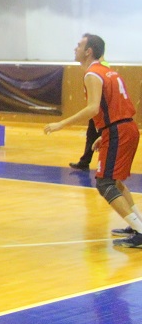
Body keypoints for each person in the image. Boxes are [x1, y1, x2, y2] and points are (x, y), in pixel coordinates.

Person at [45, 33, 142, 248]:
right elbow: (113, 105)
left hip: (118, 130)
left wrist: (61, 124)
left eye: (79, 45)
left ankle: (140, 231)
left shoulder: (92, 74)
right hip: (124, 127)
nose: (75, 48)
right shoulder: (107, 71)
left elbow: (93, 108)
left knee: (105, 183)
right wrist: (104, 133)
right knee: (115, 181)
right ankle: (137, 223)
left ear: (89, 51)